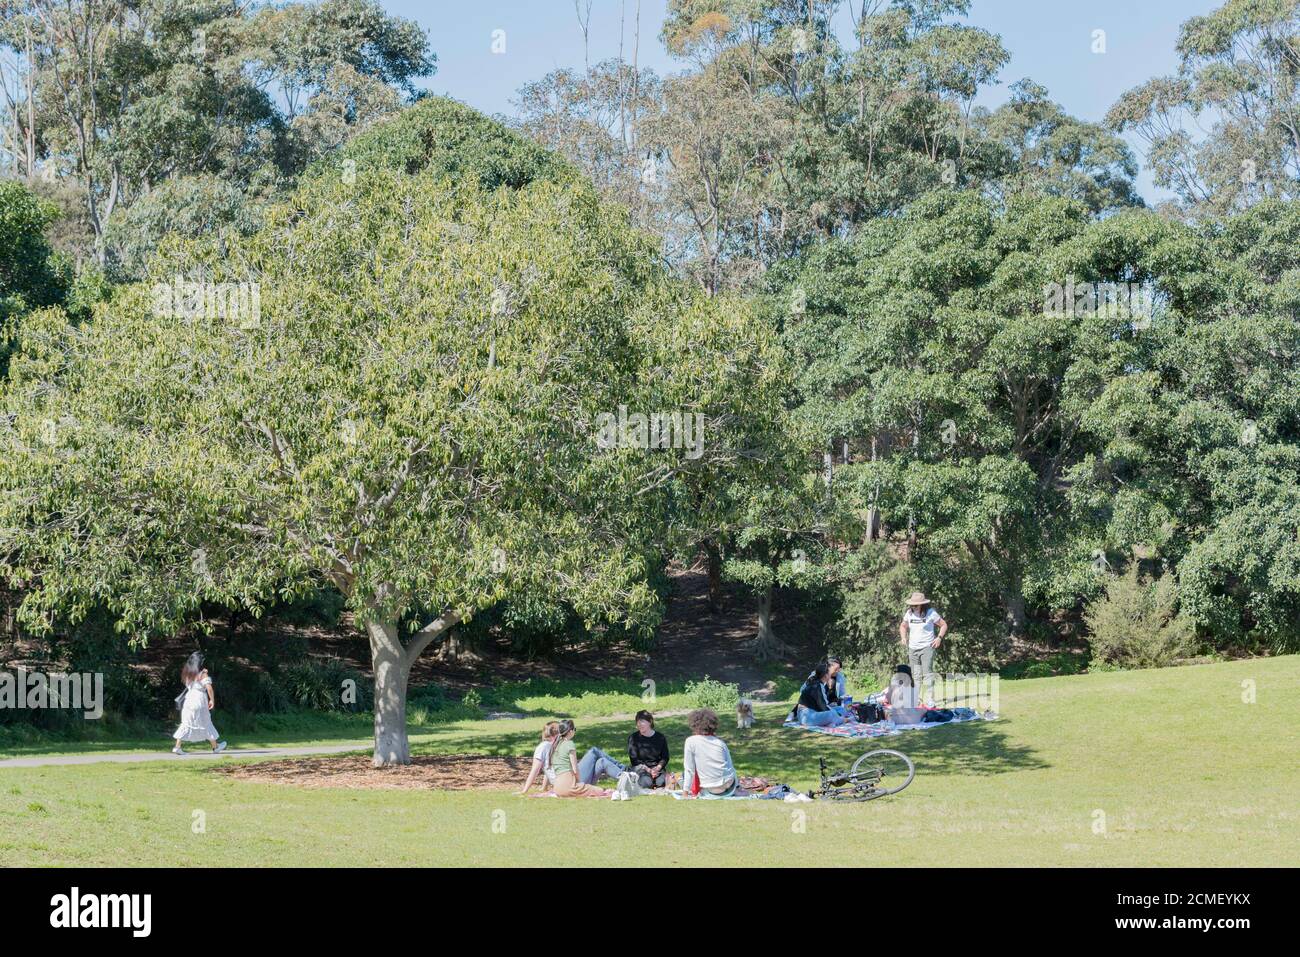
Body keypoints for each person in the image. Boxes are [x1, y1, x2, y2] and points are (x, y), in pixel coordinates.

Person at [172, 653, 227, 754]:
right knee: (206, 722)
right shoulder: (203, 674)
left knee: (186, 723)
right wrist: (212, 700)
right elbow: (209, 688)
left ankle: (177, 746)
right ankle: (215, 747)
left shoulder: (187, 672)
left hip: (189, 700)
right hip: (199, 700)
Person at [899, 591, 946, 704]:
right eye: (912, 604)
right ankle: (917, 699)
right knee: (916, 675)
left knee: (927, 674)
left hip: (927, 647)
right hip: (913, 648)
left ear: (922, 604)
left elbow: (944, 625)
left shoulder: (931, 613)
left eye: (916, 604)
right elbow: (903, 626)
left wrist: (939, 638)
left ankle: (930, 699)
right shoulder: (909, 613)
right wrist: (903, 637)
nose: (913, 606)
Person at [682, 708, 741, 798]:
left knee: (683, 776)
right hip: (730, 787)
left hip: (711, 788)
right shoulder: (720, 743)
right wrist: (737, 787)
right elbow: (730, 766)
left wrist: (685, 793)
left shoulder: (690, 741)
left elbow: (689, 769)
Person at [549, 720, 612, 798]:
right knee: (600, 790)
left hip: (557, 788)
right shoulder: (569, 744)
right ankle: (624, 773)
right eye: (574, 729)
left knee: (598, 765)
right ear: (570, 731)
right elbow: (575, 769)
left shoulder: (556, 745)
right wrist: (580, 783)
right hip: (569, 787)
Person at [789, 661, 853, 727]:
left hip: (814, 711)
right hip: (806, 716)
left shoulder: (817, 682)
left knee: (841, 709)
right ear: (825, 675)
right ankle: (839, 721)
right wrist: (840, 717)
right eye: (829, 673)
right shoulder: (817, 686)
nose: (830, 675)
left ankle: (831, 722)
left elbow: (822, 706)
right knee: (831, 714)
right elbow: (823, 707)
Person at [627, 710, 669, 789]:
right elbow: (634, 760)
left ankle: (655, 781)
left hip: (657, 768)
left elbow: (665, 757)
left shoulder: (660, 737)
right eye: (638, 722)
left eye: (642, 721)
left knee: (661, 783)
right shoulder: (633, 738)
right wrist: (649, 770)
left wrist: (657, 768)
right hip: (641, 768)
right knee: (646, 782)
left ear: (650, 722)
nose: (639, 724)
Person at [519, 721, 561, 794]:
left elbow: (537, 769)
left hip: (562, 783)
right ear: (557, 734)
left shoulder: (545, 747)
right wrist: (524, 791)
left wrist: (524, 790)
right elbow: (541, 768)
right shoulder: (551, 746)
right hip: (566, 782)